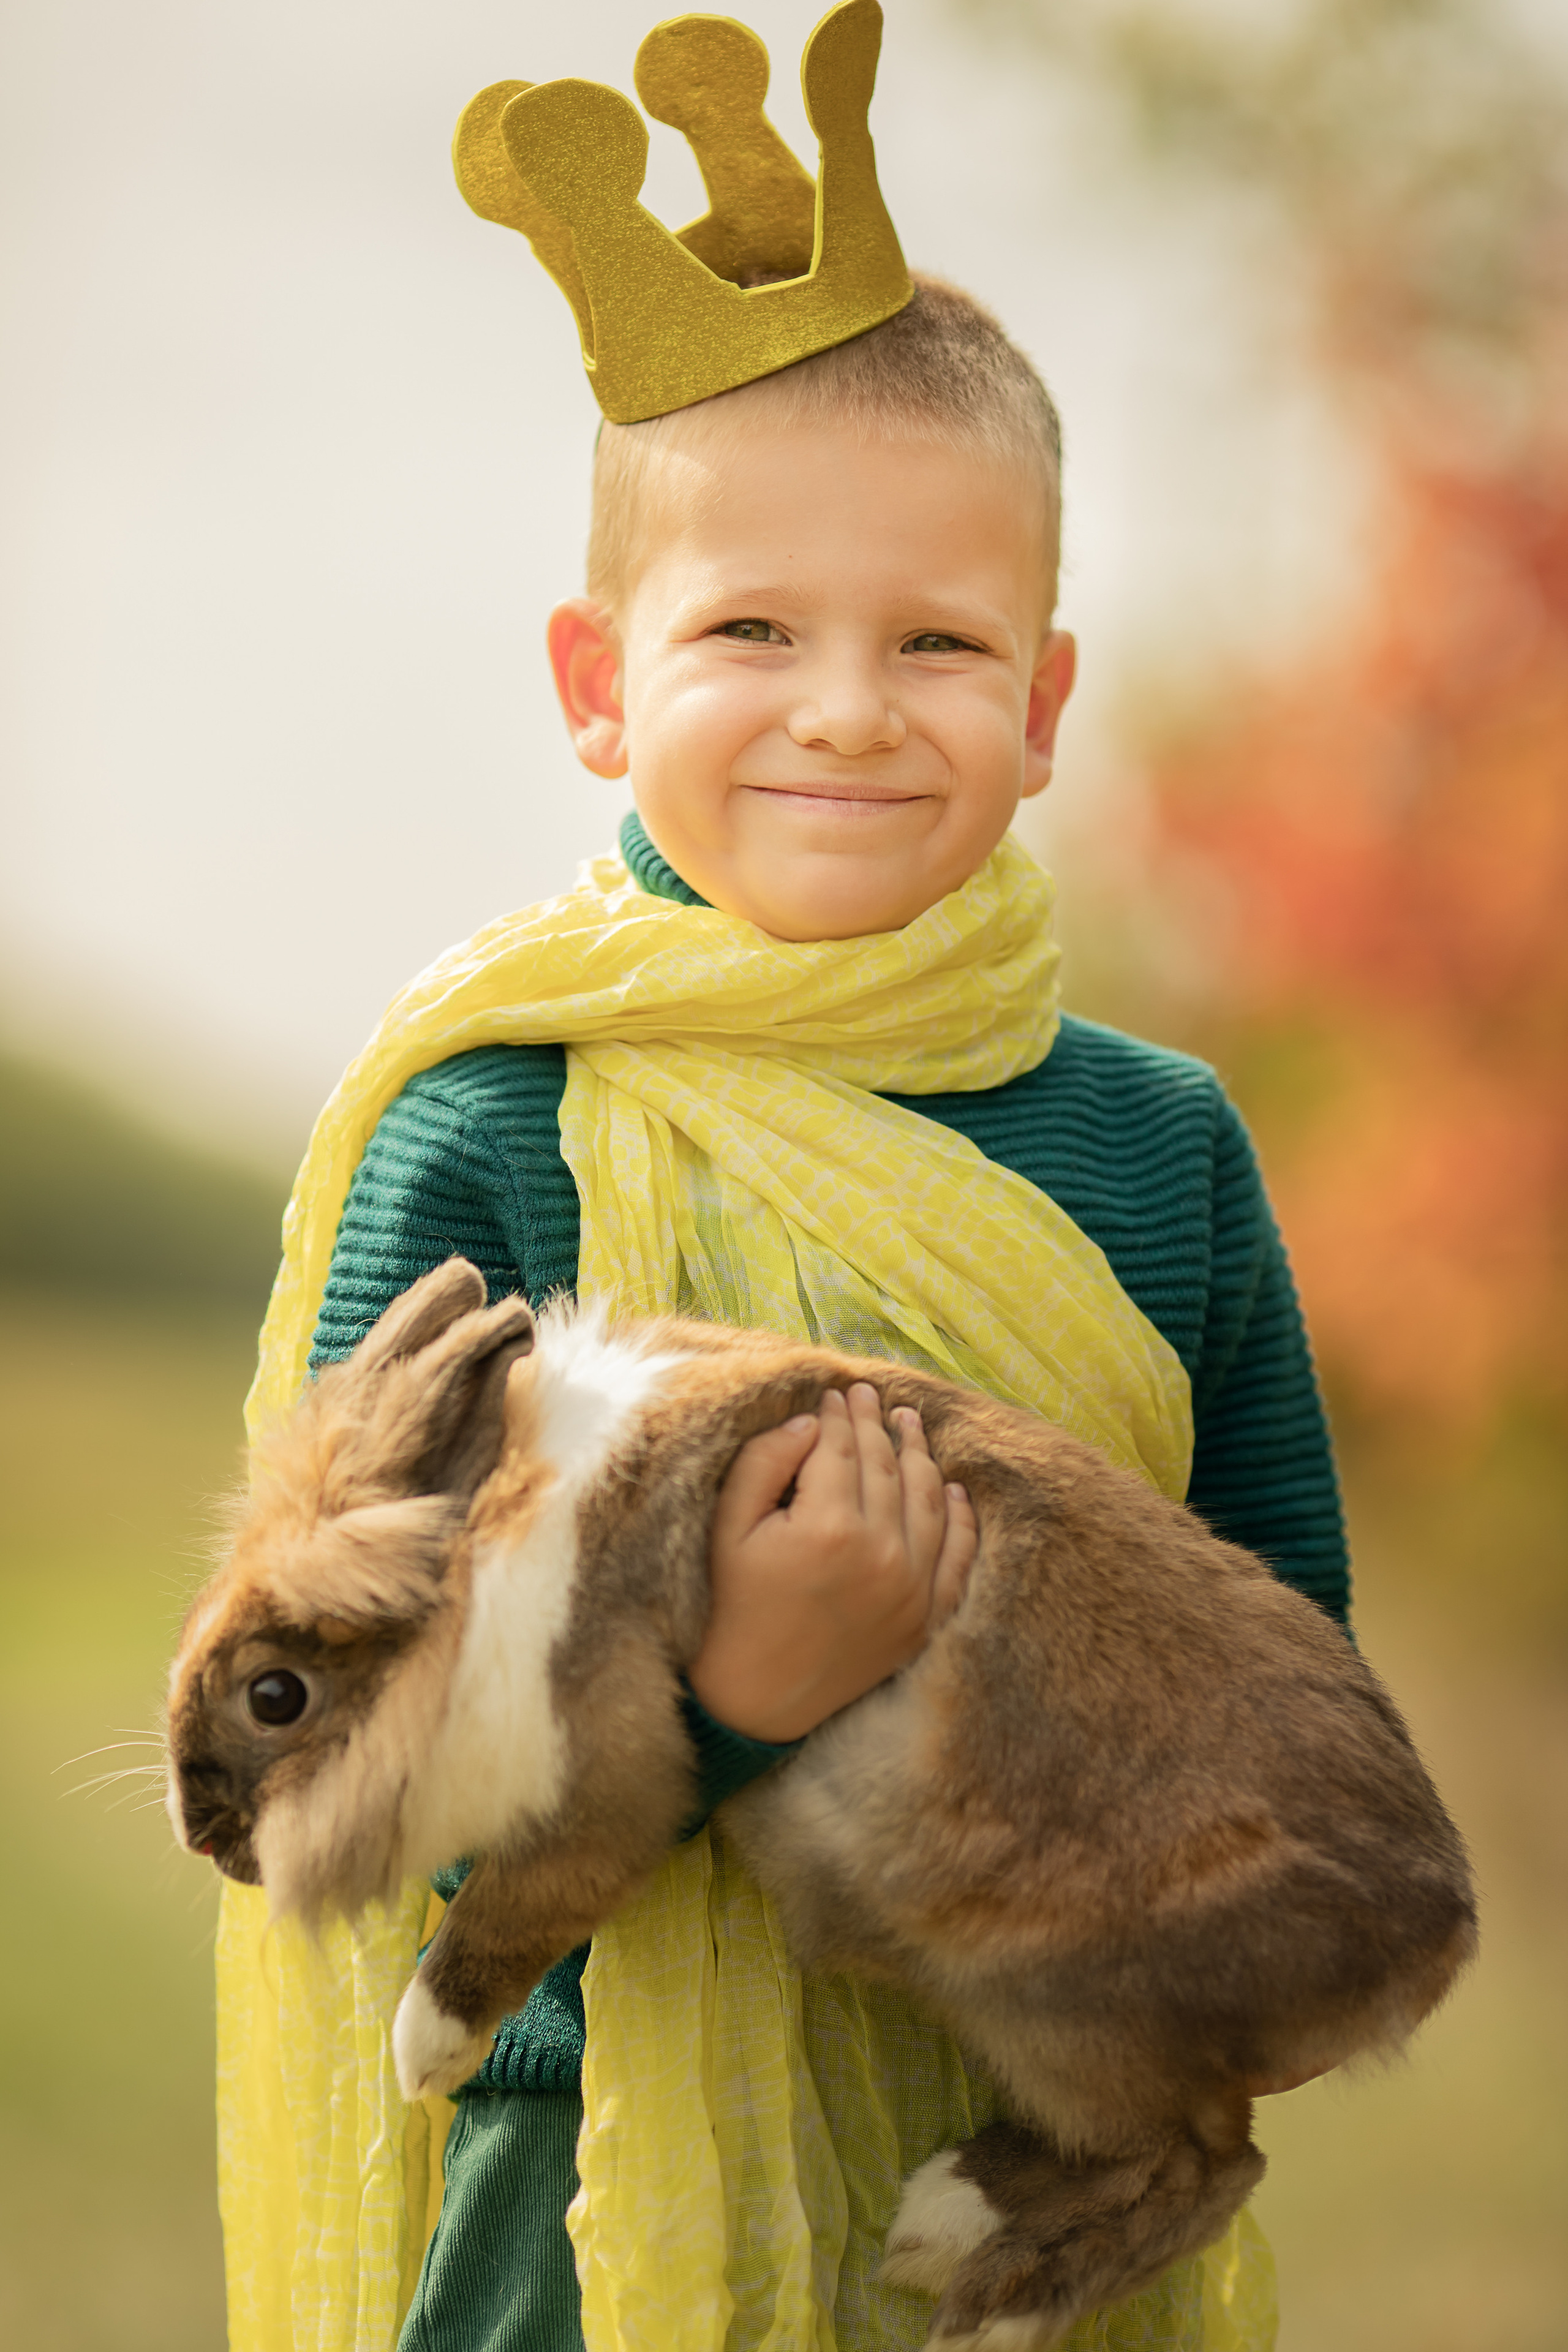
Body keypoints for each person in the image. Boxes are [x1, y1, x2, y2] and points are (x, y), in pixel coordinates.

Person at [285, 276, 1348, 2351]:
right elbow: (332, 1767)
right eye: (751, 629)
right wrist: (733, 1701)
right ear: (601, 681)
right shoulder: (491, 1123)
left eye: (936, 643)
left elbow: (1287, 1669)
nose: (849, 708)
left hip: (1022, 2134)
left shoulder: (1163, 1145)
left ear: (1043, 707)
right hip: (588, 2189)